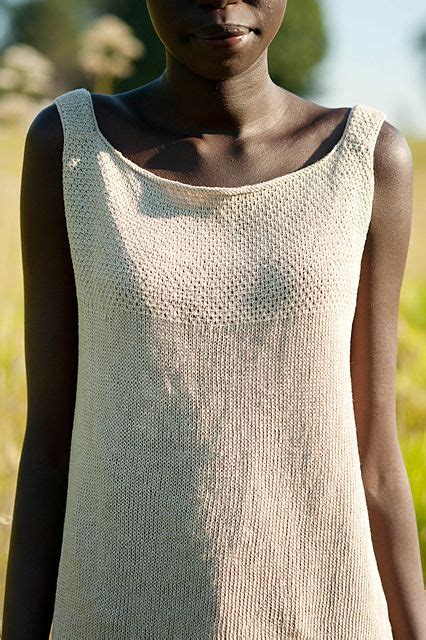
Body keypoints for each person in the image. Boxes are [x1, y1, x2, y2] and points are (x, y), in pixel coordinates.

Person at [2, 0, 425, 638]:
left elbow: (373, 455)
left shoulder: (366, 159)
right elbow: (50, 449)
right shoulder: (70, 148)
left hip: (321, 612)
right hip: (119, 610)